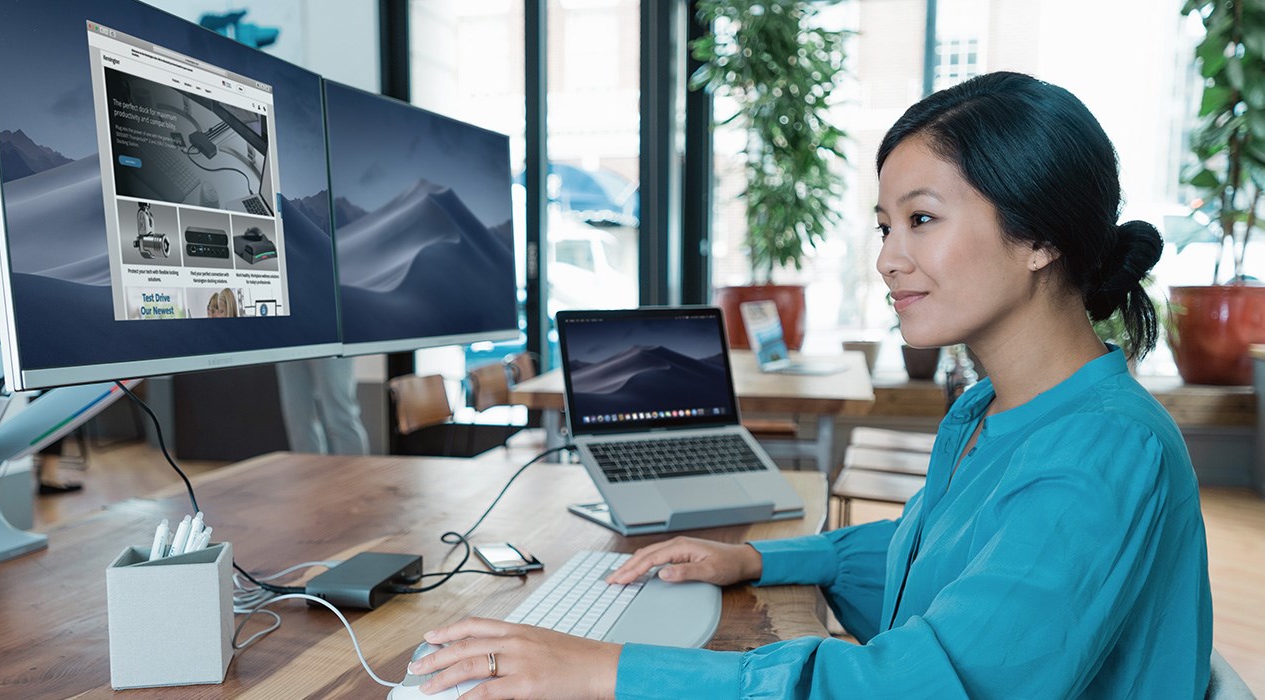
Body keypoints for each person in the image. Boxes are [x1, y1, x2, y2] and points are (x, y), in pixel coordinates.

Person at [408, 72, 1213, 698]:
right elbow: (917, 559)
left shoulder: (1102, 452)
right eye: (884, 225)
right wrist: (754, 559)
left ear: (1037, 234)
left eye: (922, 219)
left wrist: (606, 669)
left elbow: (928, 686)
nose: (889, 258)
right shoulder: (986, 409)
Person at [275, 355, 370, 455]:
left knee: (340, 416)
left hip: (331, 342)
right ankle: (308, 469)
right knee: (298, 419)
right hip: (289, 343)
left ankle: (353, 469)